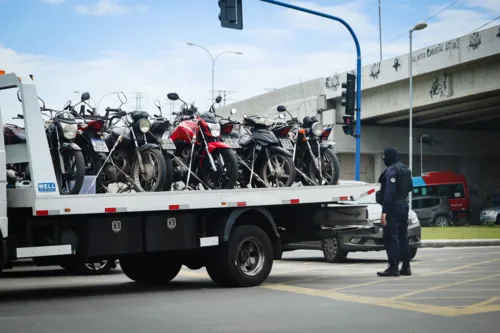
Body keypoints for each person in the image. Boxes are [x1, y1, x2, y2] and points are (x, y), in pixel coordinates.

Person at [375, 147, 413, 277]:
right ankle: (406, 267)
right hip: (404, 206)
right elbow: (410, 187)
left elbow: (389, 191)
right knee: (403, 236)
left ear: (389, 156)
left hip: (393, 208)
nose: (384, 159)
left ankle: (393, 267)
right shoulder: (405, 169)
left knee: (391, 237)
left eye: (385, 156)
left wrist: (385, 211)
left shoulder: (392, 170)